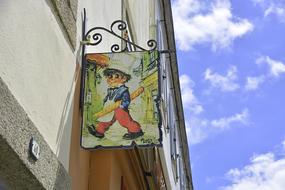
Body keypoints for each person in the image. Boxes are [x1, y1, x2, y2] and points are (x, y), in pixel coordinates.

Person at [88, 67, 144, 140]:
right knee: (106, 120)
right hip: (110, 107)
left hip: (120, 109)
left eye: (115, 76)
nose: (110, 78)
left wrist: (122, 106)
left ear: (123, 79)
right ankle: (99, 132)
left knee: (125, 121)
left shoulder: (123, 90)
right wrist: (105, 103)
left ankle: (136, 131)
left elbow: (126, 100)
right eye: (109, 76)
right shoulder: (110, 89)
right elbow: (108, 98)